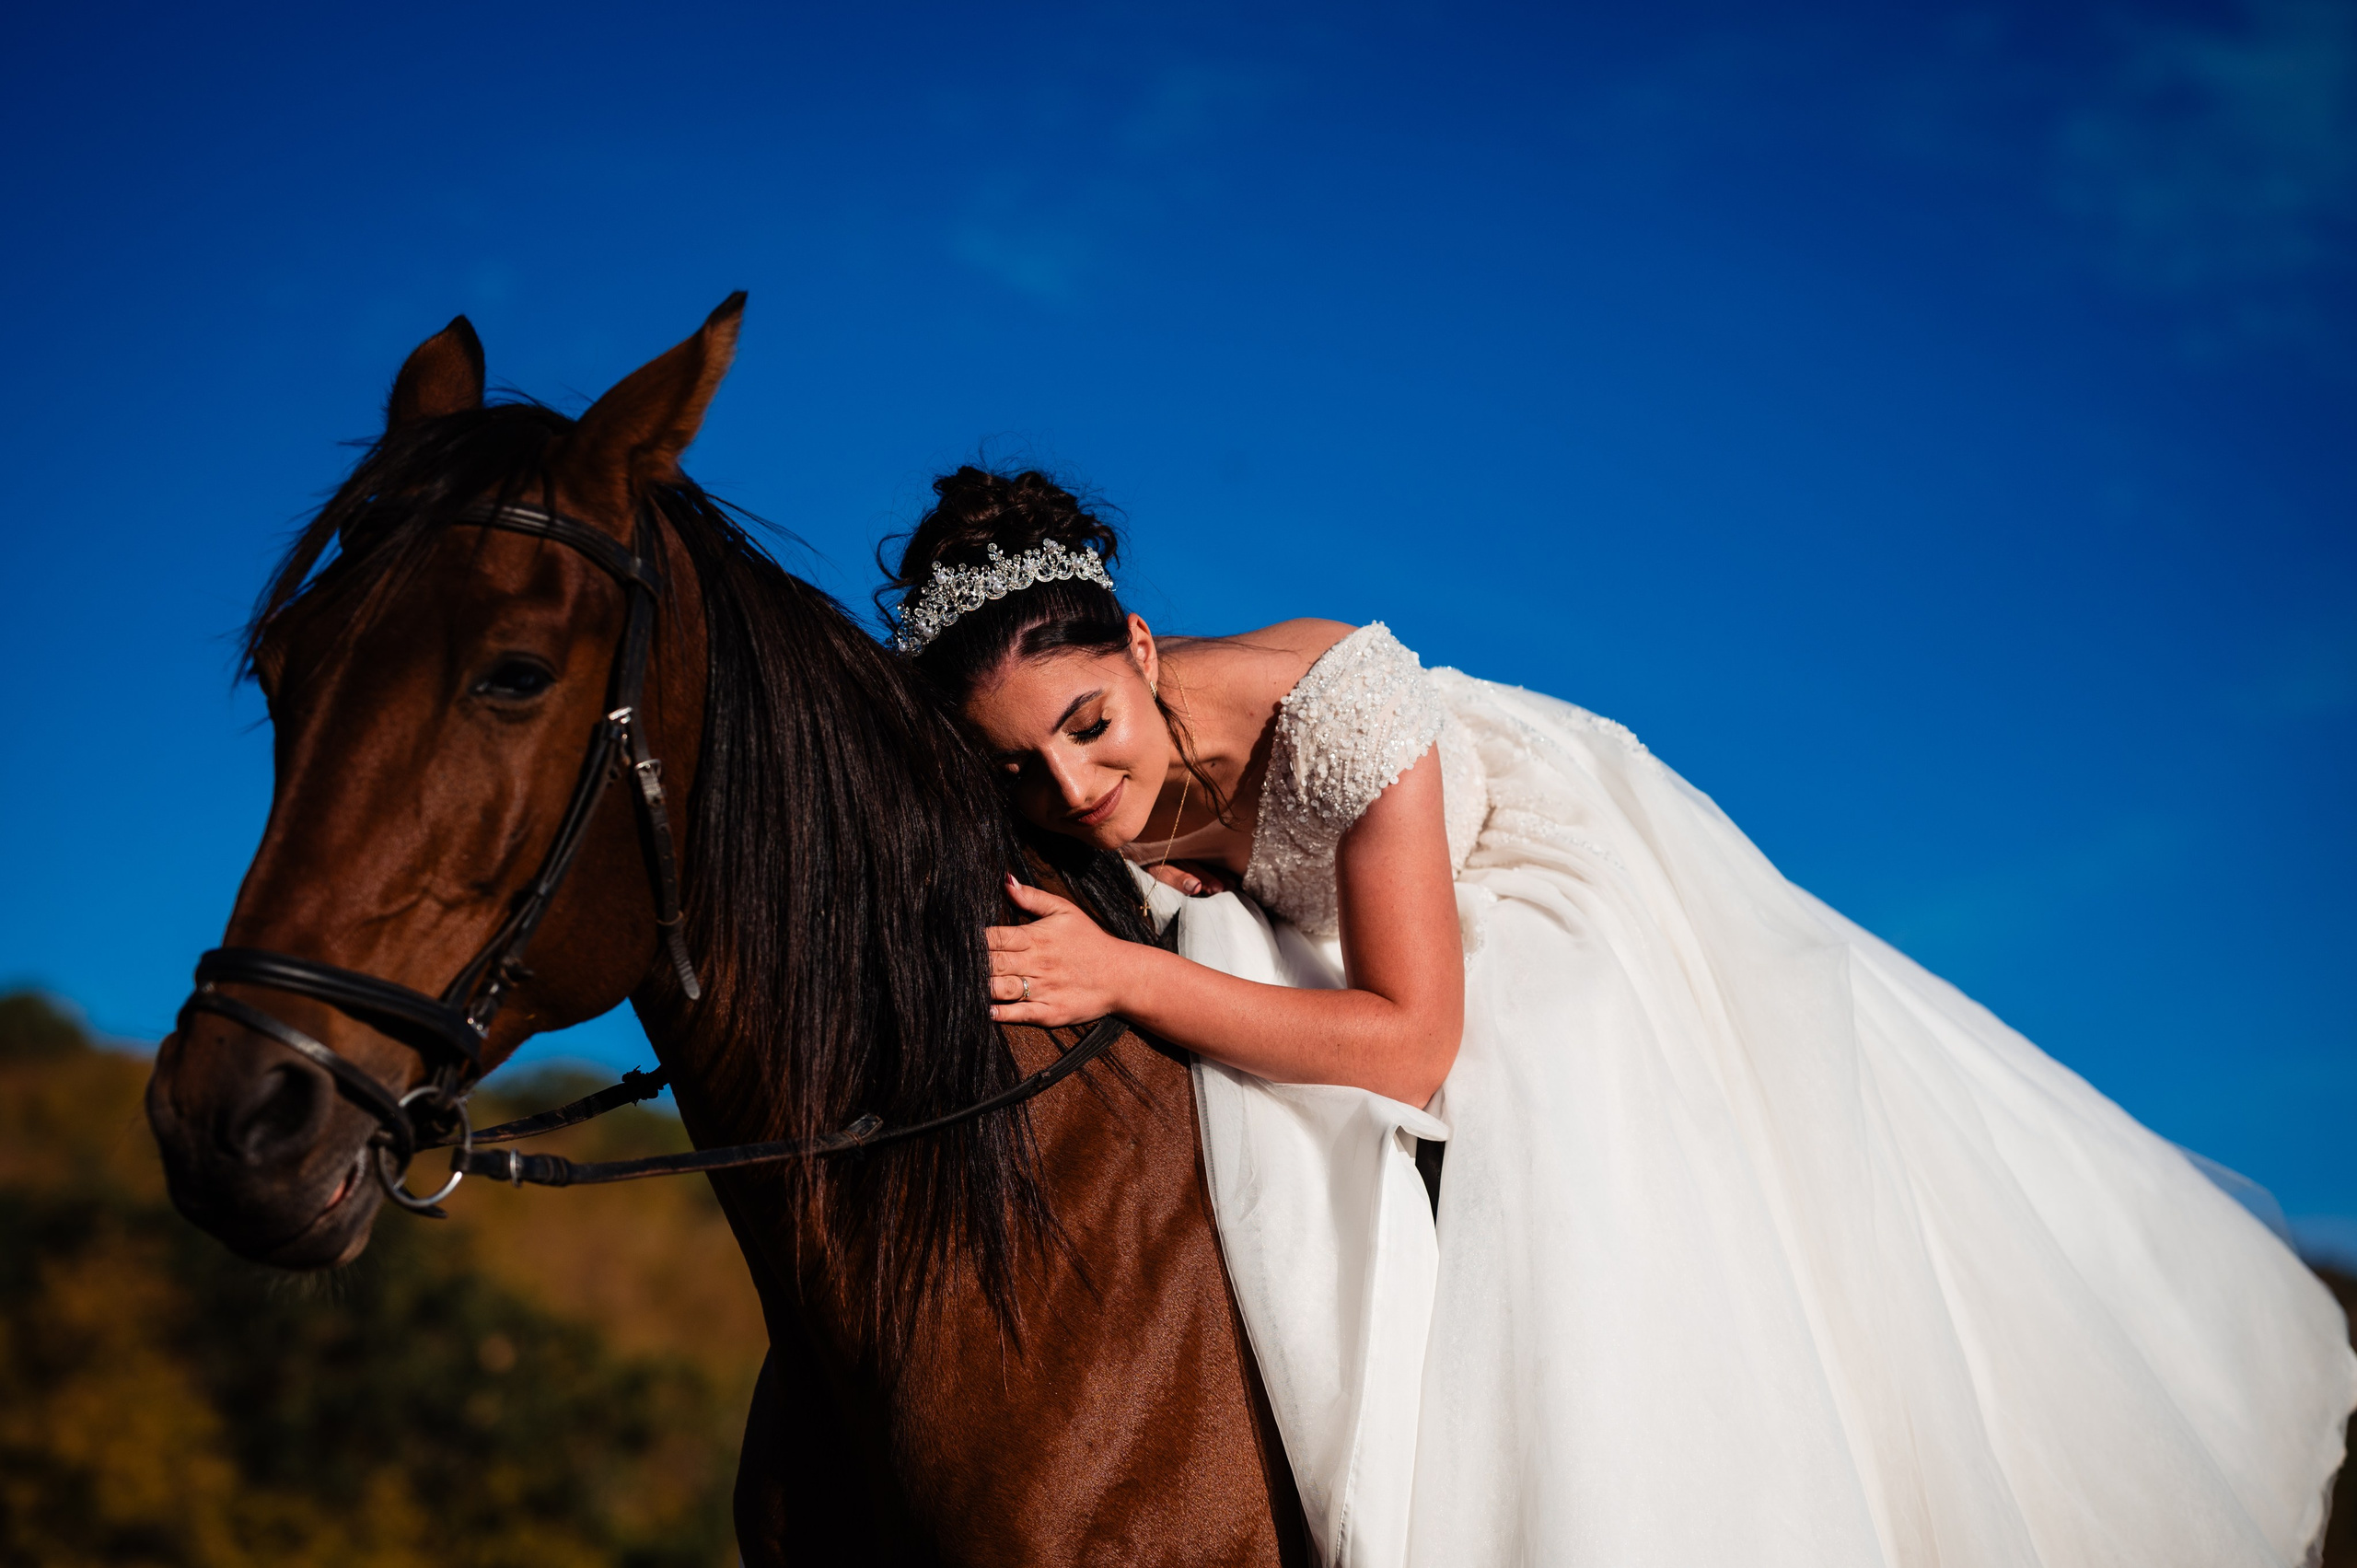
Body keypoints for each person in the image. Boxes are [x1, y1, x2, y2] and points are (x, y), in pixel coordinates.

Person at [880, 465, 2355, 1568]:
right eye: (1018, 768)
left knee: (1562, 1080)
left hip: (1511, 877)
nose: (1071, 790)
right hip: (1323, 925)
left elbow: (1414, 1042)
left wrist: (1134, 974)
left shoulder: (1341, 708)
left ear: (1142, 652)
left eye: (1091, 726)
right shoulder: (1053, 783)